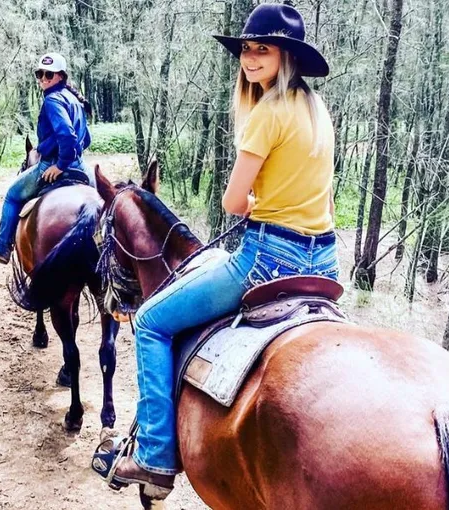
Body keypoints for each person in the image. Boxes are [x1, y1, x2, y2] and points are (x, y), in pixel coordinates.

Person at [111, 1, 340, 493]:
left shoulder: (266, 113)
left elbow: (234, 201)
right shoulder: (317, 108)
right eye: (246, 49)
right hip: (325, 260)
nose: (251, 58)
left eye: (264, 49)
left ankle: (153, 455)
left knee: (150, 321)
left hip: (267, 259)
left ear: (287, 56)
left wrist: (253, 201)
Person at [0, 52, 94, 264]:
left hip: (53, 164)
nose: (43, 78)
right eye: (40, 74)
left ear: (60, 76)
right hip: (80, 166)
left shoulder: (53, 100)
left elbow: (67, 135)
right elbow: (85, 139)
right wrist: (72, 157)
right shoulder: (75, 101)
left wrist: (60, 165)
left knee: (13, 196)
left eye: (49, 75)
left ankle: (1, 246)